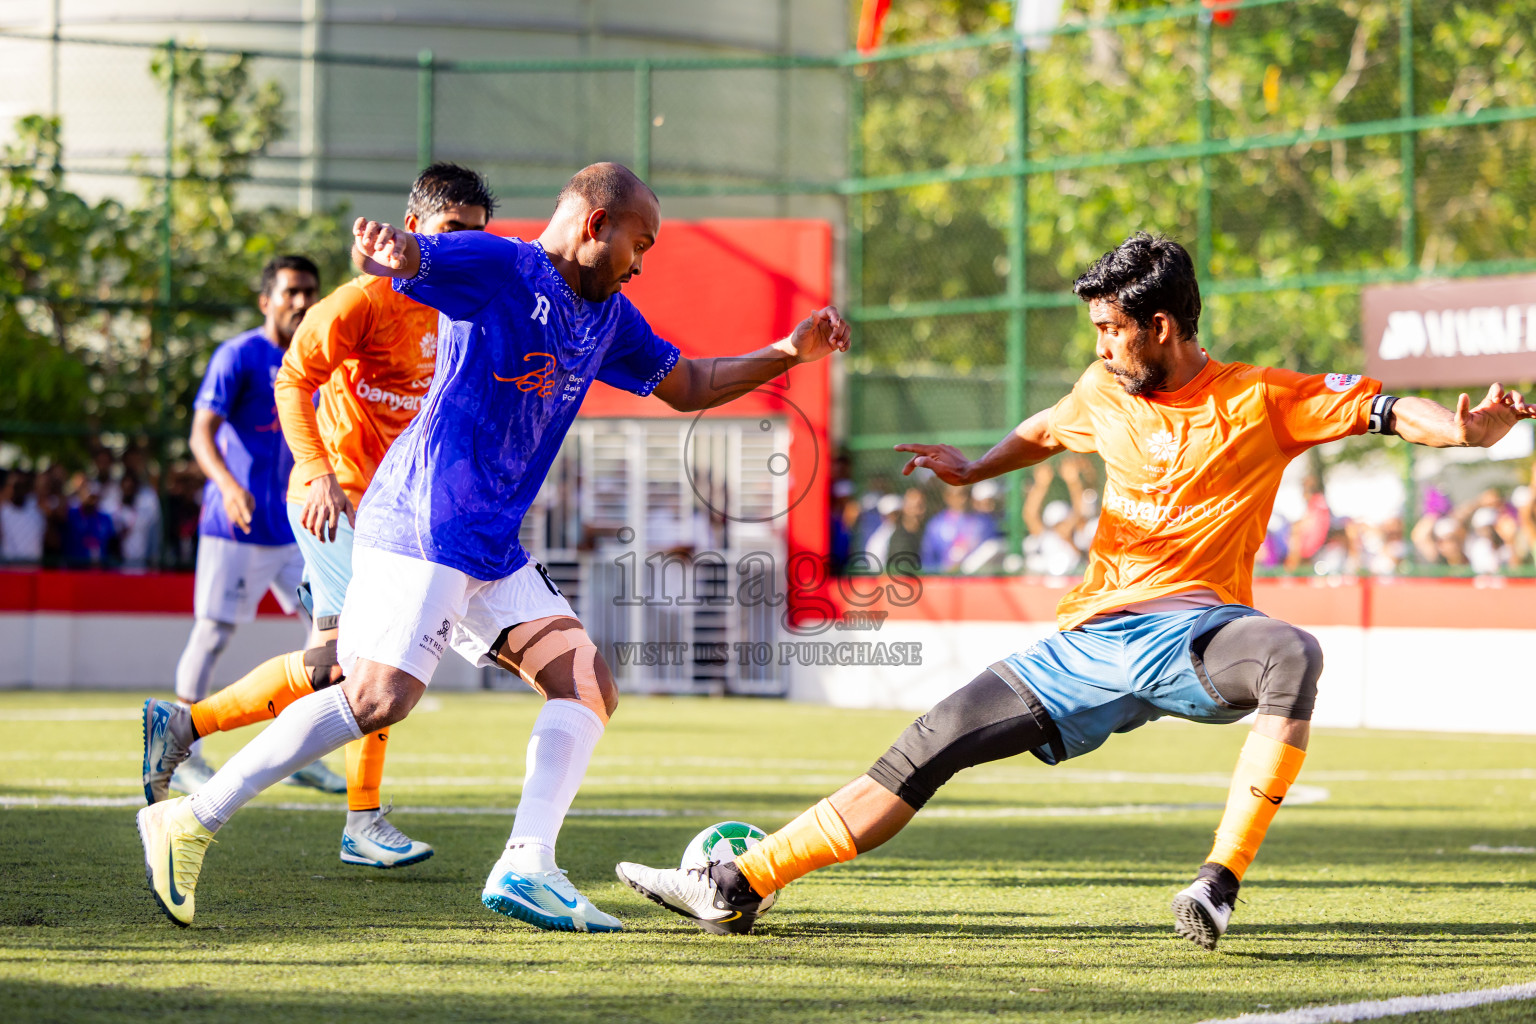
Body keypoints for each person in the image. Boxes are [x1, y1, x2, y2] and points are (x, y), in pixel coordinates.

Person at [613, 230, 1536, 948]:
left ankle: (1216, 883)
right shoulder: (1103, 386)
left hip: (1199, 637)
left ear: (1161, 327)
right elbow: (1047, 428)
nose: (1096, 344)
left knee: (1294, 652)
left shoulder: (1259, 397)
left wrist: (1463, 434)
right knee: (924, 749)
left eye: (1109, 327)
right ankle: (735, 886)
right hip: (1086, 644)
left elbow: (1383, 405)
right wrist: (975, 471)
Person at [135, 161, 850, 931]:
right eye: (638, 243)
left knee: (585, 682)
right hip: (424, 520)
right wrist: (390, 253)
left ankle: (527, 865)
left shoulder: (608, 315)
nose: (642, 264)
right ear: (594, 224)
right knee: (378, 697)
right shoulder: (503, 263)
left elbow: (691, 384)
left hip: (487, 543)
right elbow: (420, 260)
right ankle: (190, 819)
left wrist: (786, 351)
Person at [141, 164, 495, 868]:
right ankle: (361, 823)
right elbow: (292, 379)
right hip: (334, 501)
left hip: (396, 514)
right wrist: (316, 471)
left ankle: (182, 723)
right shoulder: (362, 301)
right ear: (414, 224)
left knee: (339, 665)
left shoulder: (469, 309)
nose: (459, 248)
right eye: (450, 231)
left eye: (473, 236)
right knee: (379, 658)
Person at [168, 255, 339, 794]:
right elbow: (201, 434)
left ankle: (301, 749)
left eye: (309, 291)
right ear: (266, 301)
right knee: (215, 632)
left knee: (329, 632)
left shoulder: (320, 358)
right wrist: (226, 484)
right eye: (290, 292)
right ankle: (180, 747)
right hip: (234, 526)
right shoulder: (238, 356)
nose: (302, 302)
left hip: (295, 526)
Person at [0, 470, 45, 564]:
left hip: (33, 572)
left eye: (22, 485)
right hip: (8, 572)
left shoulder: (37, 508)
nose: (18, 489)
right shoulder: (3, 510)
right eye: (15, 485)